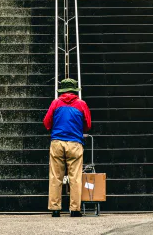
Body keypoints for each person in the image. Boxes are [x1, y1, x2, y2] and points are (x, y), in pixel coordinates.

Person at [43, 78, 91, 218]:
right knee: (75, 177)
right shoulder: (82, 104)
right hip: (75, 143)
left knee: (55, 176)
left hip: (57, 142)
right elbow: (88, 124)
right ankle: (75, 209)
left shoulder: (55, 103)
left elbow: (46, 123)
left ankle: (55, 209)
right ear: (75, 90)